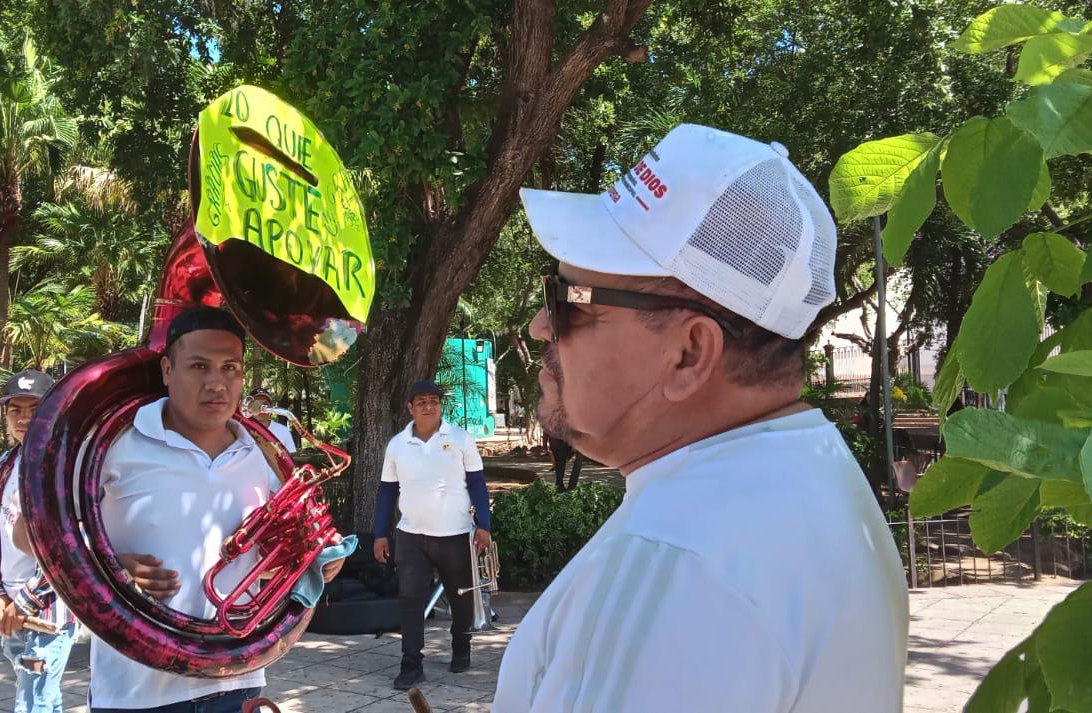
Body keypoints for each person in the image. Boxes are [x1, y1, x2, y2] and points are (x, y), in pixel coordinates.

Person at [491, 124, 908, 712]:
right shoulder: (813, 476)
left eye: (568, 302)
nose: (539, 326)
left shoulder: (677, 564)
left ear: (689, 354)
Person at [19, 306, 340, 712]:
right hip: (134, 692)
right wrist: (105, 565)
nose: (216, 383)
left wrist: (314, 561)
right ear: (168, 369)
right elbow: (28, 533)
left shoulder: (263, 456)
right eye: (199, 366)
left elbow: (276, 557)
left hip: (237, 682)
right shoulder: (114, 445)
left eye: (230, 368)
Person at [372, 379, 491, 690]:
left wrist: (484, 525)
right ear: (410, 407)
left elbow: (477, 483)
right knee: (410, 600)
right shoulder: (397, 445)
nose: (428, 406)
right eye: (421, 402)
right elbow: (387, 491)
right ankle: (411, 664)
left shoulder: (461, 439)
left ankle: (461, 643)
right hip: (411, 535)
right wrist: (380, 534)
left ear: (440, 406)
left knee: (461, 599)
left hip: (456, 535)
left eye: (434, 401)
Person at [0, 369, 78, 713]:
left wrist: (25, 601)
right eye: (15, 410)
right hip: (8, 609)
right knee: (44, 699)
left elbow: (68, 547)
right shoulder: (6, 463)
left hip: (46, 611)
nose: (24, 419)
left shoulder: (63, 466)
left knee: (32, 704)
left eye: (35, 409)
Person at [246, 388, 297, 452]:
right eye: (257, 404)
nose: (261, 408)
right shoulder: (241, 430)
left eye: (265, 404)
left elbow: (291, 456)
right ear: (249, 407)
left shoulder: (283, 431)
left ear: (271, 407)